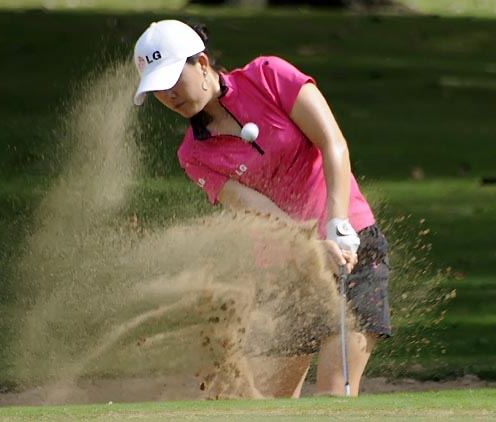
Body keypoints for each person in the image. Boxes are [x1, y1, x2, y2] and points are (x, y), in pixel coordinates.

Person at [132, 19, 391, 398]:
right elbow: (253, 207)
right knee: (270, 403)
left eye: (174, 80)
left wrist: (337, 223)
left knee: (335, 393)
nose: (169, 96)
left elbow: (333, 143)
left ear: (202, 64)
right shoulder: (193, 154)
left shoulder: (269, 76)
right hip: (284, 271)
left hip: (352, 248)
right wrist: (307, 246)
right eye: (158, 90)